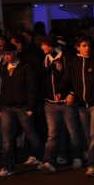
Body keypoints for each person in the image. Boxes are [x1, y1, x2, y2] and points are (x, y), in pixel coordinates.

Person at [61, 35, 94, 177]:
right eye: (83, 46)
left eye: (88, 45)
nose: (87, 48)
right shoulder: (73, 63)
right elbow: (68, 80)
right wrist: (64, 92)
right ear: (78, 47)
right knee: (88, 134)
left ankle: (92, 164)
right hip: (82, 105)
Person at [0, 43, 44, 176]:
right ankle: (7, 166)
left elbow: (32, 87)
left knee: (31, 133)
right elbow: (4, 88)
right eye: (5, 54)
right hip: (7, 106)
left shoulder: (25, 66)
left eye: (9, 54)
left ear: (15, 53)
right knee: (6, 138)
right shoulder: (5, 68)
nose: (7, 57)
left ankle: (42, 157)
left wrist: (30, 106)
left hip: (22, 106)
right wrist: (0, 106)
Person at [39, 34, 82, 174]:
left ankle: (77, 156)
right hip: (51, 103)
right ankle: (49, 161)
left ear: (50, 45)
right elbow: (44, 81)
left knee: (73, 131)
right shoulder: (46, 59)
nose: (42, 47)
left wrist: (71, 93)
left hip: (66, 102)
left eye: (44, 44)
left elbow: (73, 78)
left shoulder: (66, 59)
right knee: (52, 133)